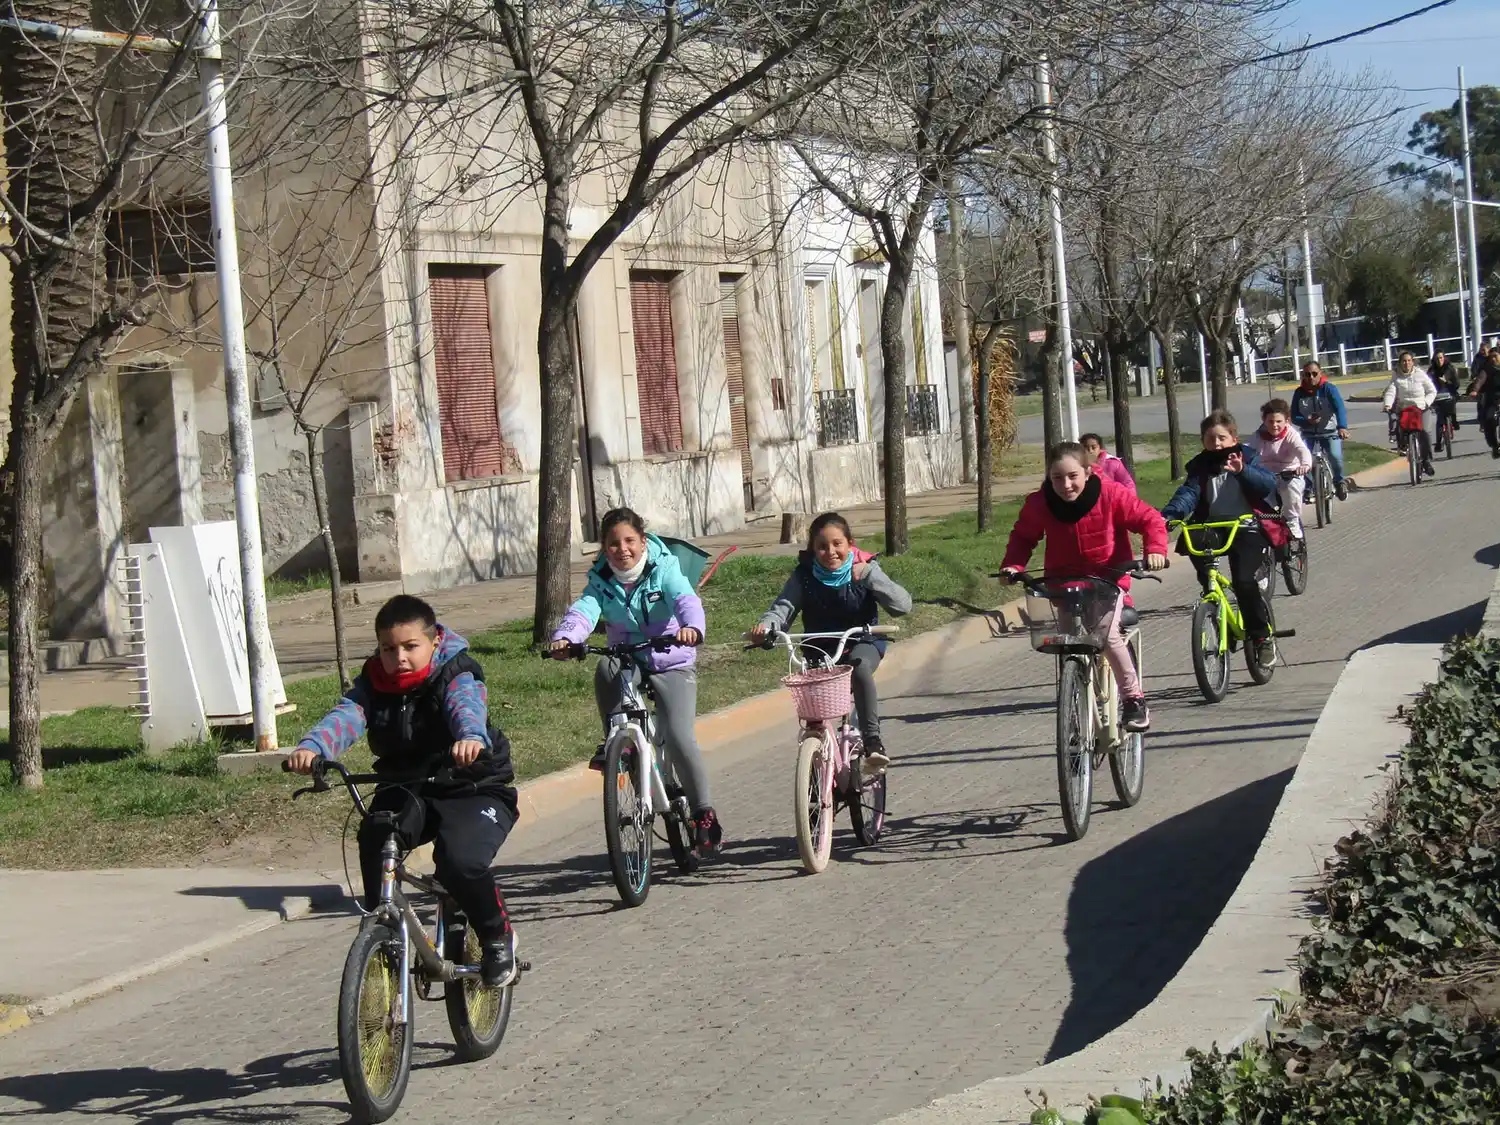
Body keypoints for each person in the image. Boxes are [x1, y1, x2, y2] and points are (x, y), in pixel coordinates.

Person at [287, 595, 520, 986]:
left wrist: (470, 738)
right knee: (376, 833)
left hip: (472, 784)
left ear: (433, 642)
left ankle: (498, 935)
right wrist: (314, 747)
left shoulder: (455, 672)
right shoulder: (374, 683)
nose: (400, 658)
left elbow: (467, 706)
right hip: (408, 784)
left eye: (411, 647)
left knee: (460, 862)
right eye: (388, 649)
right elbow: (348, 716)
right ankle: (383, 928)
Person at [547, 508, 721, 857]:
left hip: (672, 658)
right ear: (604, 549)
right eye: (613, 543)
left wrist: (692, 628)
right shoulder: (601, 581)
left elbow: (686, 599)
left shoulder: (665, 568)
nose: (622, 549)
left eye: (629, 541)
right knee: (606, 667)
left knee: (678, 734)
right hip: (629, 656)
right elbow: (584, 610)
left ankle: (703, 813)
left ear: (643, 542)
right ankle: (613, 738)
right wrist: (566, 637)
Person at [1000, 442, 1168, 731]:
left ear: (1088, 472)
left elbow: (1149, 519)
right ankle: (1075, 705)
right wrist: (1013, 566)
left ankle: (1133, 699)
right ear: (1048, 477)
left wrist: (1155, 550)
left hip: (1107, 581)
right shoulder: (1040, 502)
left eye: (1073, 476)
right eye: (1057, 478)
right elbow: (1023, 536)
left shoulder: (1111, 493)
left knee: (1106, 635)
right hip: (1062, 583)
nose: (1065, 485)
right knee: (1066, 643)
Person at [748, 512, 912, 772]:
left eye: (837, 544)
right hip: (819, 650)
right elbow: (782, 610)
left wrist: (870, 575)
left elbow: (903, 605)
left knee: (859, 668)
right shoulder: (803, 577)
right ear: (813, 550)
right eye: (822, 546)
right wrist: (766, 628)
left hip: (862, 641)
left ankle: (873, 743)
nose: (831, 552)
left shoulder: (865, 569)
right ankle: (813, 782)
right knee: (815, 720)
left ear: (850, 543)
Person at [1161, 410, 1281, 669]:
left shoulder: (1247, 457)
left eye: (1221, 438)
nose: (1216, 444)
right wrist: (1169, 516)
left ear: (1233, 438)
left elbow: (1267, 485)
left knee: (1244, 582)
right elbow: (1189, 493)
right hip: (1212, 527)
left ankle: (1261, 637)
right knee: (1203, 567)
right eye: (1210, 439)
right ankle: (1214, 605)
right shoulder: (1199, 465)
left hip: (1246, 527)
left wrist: (1243, 471)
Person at [1245, 398, 1312, 541]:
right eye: (1270, 422)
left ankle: (1292, 520)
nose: (1274, 426)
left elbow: (1302, 450)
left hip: (1290, 473)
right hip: (1266, 475)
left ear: (1287, 421)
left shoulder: (1291, 435)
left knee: (1291, 488)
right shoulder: (1258, 436)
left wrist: (1305, 465)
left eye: (1279, 422)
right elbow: (1245, 450)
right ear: (1264, 420)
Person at [1289, 362, 1351, 500]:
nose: (1311, 377)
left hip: (1329, 432)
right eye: (1307, 374)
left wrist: (1342, 427)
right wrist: (1306, 421)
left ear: (1320, 373)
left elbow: (1339, 408)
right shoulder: (1299, 393)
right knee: (1303, 460)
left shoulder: (1329, 389)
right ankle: (1309, 487)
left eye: (1314, 374)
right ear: (1303, 376)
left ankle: (1339, 482)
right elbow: (1293, 416)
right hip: (1308, 434)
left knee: (1335, 456)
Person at [1382, 350, 1438, 477]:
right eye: (1404, 361)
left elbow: (1432, 391)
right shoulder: (1396, 376)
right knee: (1399, 427)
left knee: (1424, 432)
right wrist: (1388, 404)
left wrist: (1426, 402)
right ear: (1400, 363)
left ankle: (1426, 461)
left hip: (1421, 408)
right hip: (1405, 408)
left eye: (1409, 361)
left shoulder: (1420, 374)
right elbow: (1391, 391)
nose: (1406, 363)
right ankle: (1405, 447)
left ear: (1413, 362)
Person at [1469, 345, 1500, 458]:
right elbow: (1480, 379)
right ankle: (1494, 445)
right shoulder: (1486, 369)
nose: (1493, 359)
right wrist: (1475, 390)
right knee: (1488, 419)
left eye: (1495, 356)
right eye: (1491, 357)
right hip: (1492, 399)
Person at [1428, 351, 1461, 453]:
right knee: (1440, 418)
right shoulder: (1431, 370)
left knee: (1451, 403)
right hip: (1437, 396)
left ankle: (1454, 420)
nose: (1439, 360)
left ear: (1444, 358)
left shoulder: (1450, 368)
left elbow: (1456, 384)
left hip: (1450, 394)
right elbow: (1427, 384)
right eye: (1437, 358)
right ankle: (1439, 443)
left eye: (1441, 358)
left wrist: (1446, 382)